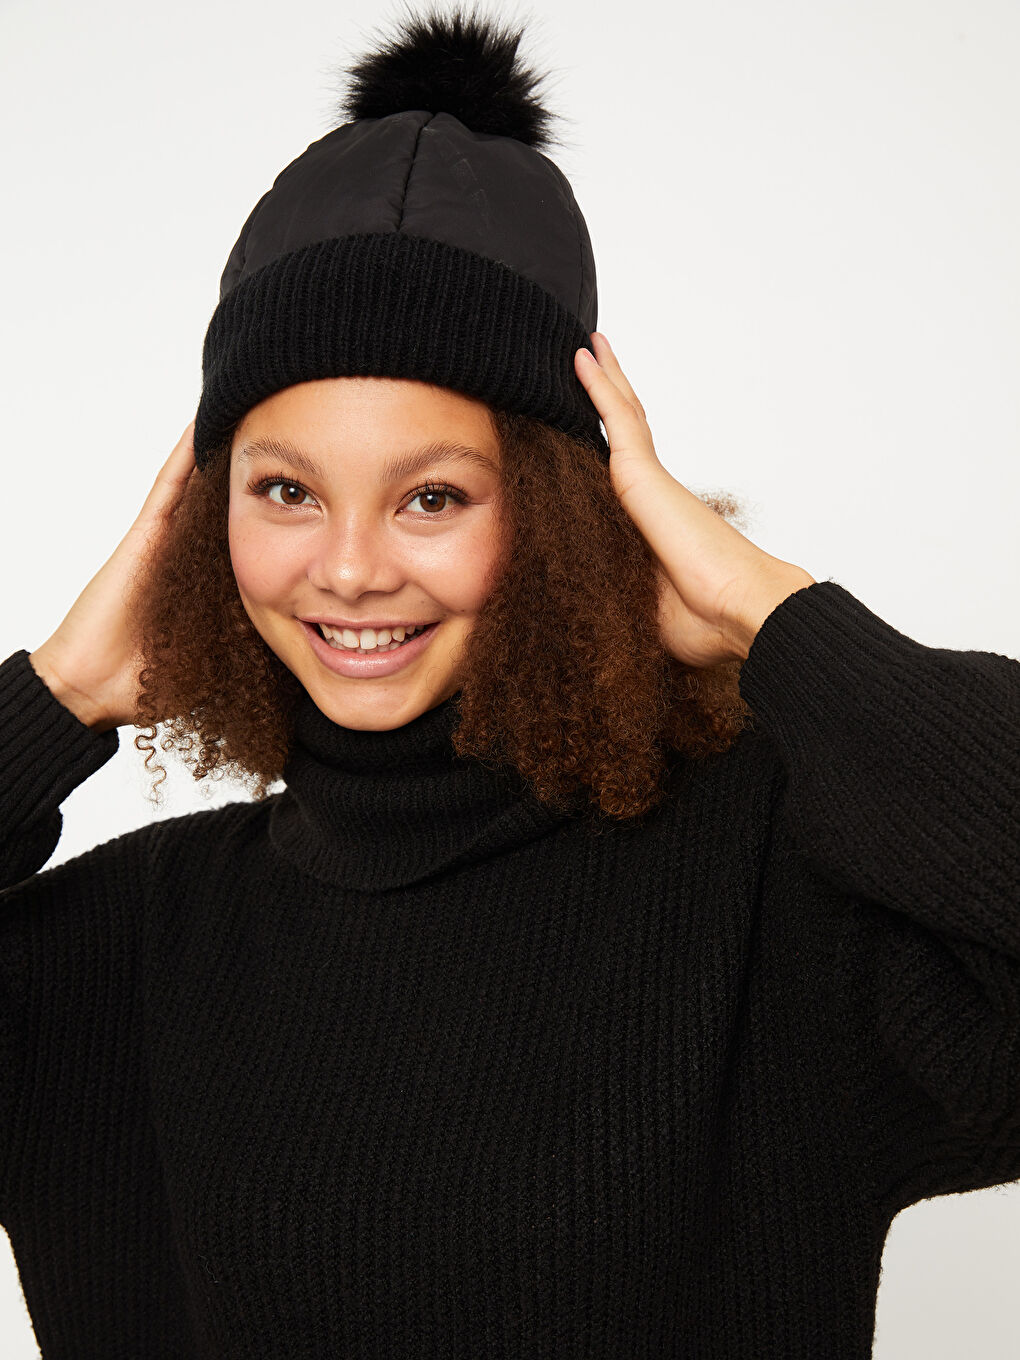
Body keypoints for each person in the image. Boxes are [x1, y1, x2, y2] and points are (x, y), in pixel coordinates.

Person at [2, 8, 1017, 1357]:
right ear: (201, 522)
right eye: (286, 490)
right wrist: (51, 697)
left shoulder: (781, 901)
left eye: (431, 496)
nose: (350, 569)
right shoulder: (113, 951)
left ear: (549, 512)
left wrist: (773, 618)